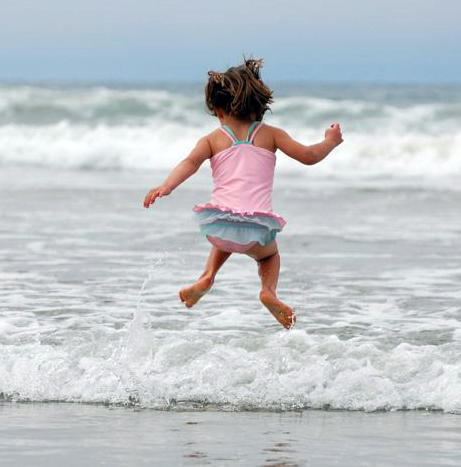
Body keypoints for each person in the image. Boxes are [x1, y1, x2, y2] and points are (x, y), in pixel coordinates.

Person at [143, 58, 343, 329]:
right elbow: (308, 156)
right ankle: (268, 292)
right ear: (260, 106)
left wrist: (165, 186)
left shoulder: (212, 139)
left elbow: (189, 163)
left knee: (226, 230)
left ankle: (207, 277)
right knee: (269, 256)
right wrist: (330, 142)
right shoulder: (271, 134)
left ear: (218, 110)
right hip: (257, 228)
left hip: (219, 225)